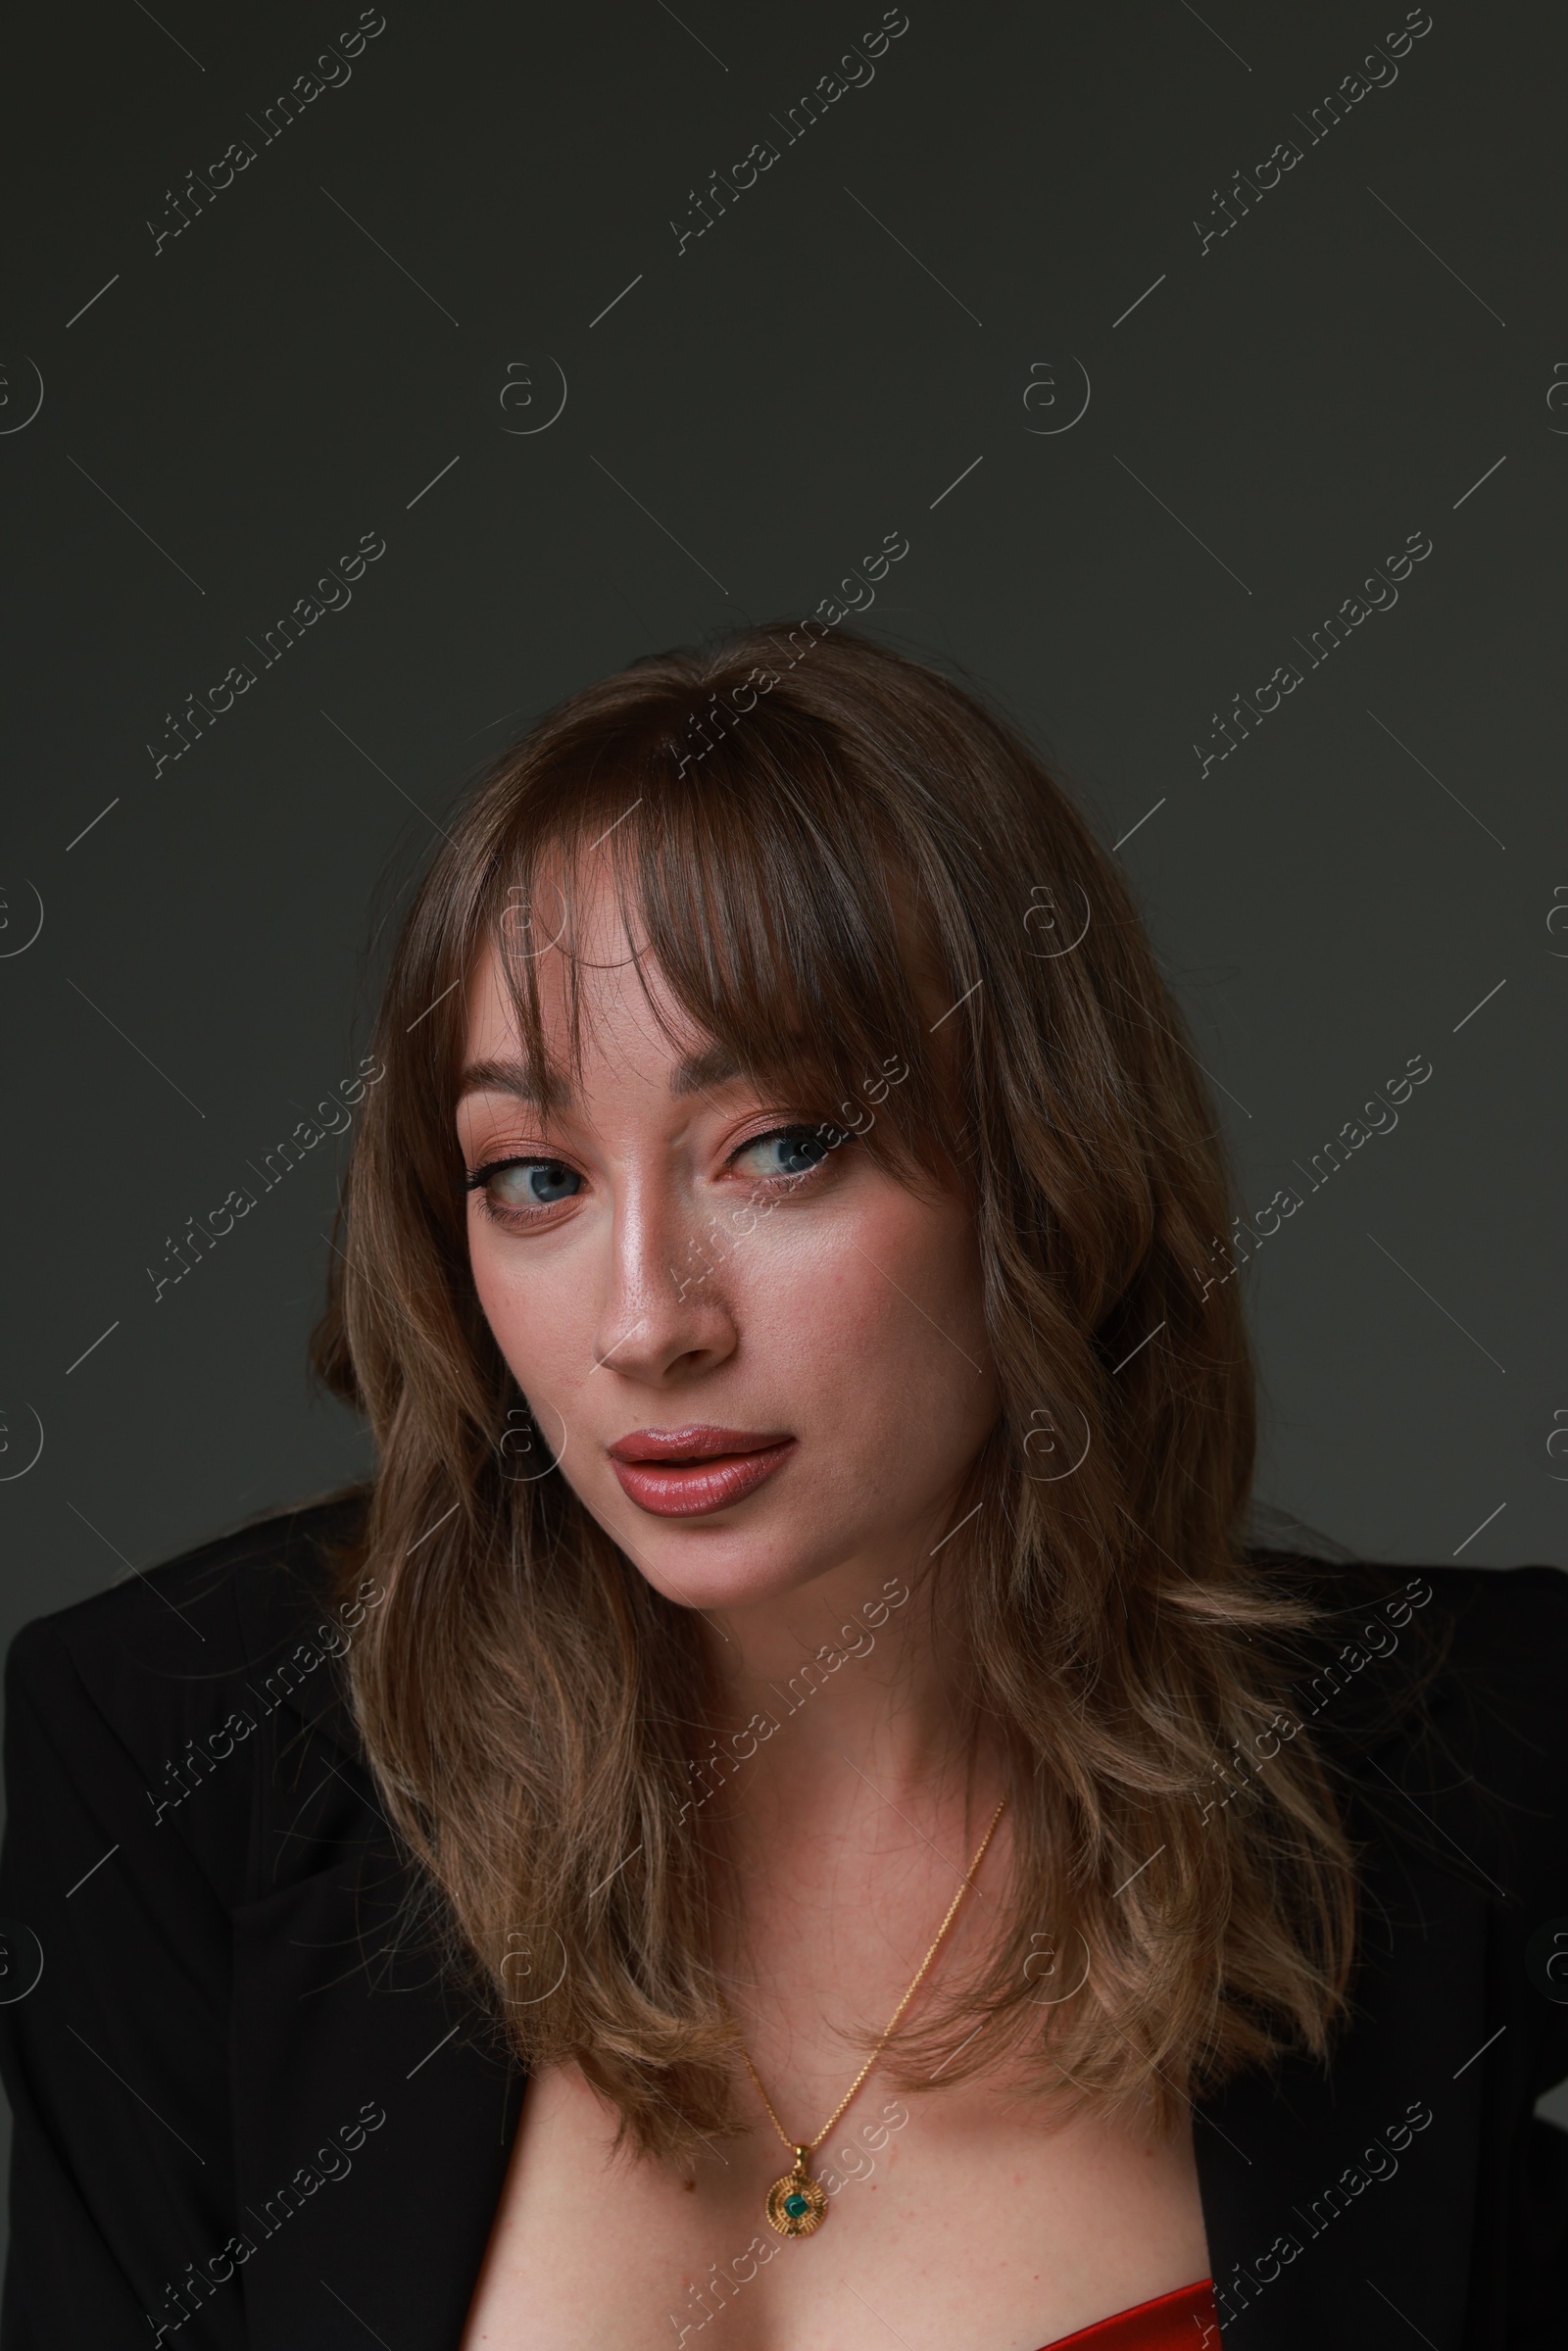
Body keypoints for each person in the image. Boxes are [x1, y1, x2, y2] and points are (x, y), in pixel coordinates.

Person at [1, 625, 1564, 2351]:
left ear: (1039, 1170)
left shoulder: (1458, 1776)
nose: (648, 1322)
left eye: (785, 1149)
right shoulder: (168, 1771)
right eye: (534, 1177)